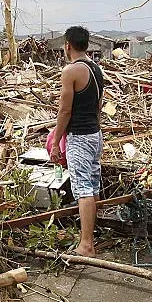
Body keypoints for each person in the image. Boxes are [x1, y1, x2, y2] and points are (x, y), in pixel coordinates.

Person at [50, 26, 104, 257]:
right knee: (92, 184)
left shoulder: (71, 71)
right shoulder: (96, 68)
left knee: (83, 189)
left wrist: (55, 141)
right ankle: (92, 233)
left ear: (67, 45)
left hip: (80, 138)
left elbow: (65, 111)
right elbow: (99, 104)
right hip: (95, 134)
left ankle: (86, 244)